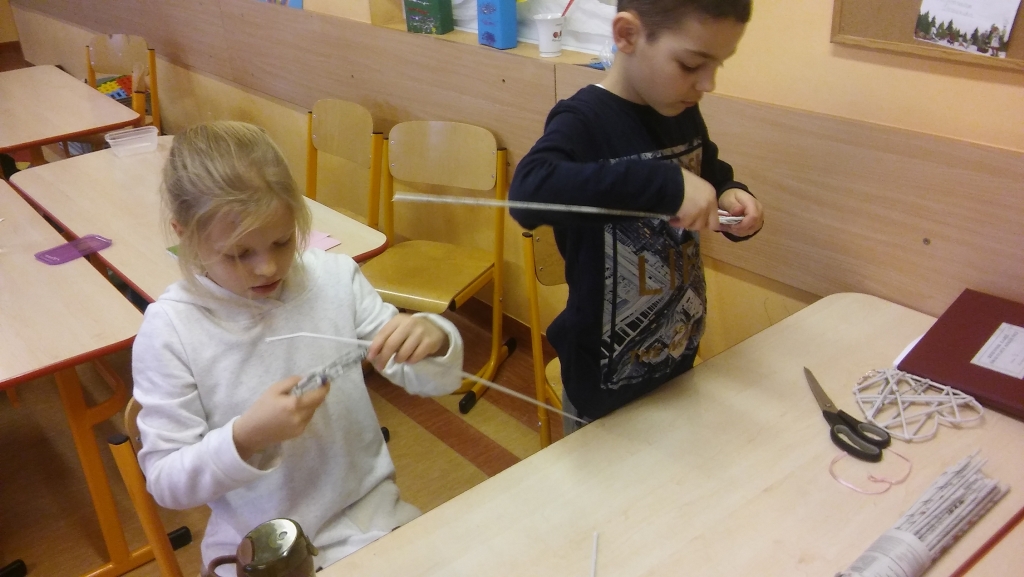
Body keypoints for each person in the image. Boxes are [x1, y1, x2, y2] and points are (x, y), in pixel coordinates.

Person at [131, 121, 464, 574]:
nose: (267, 267)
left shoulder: (334, 279)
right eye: (239, 254)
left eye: (282, 241)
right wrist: (245, 437)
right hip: (257, 544)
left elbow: (428, 378)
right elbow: (167, 482)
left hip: (369, 517)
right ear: (184, 234)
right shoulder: (171, 330)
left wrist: (432, 338)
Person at [509, 0, 762, 433]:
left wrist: (730, 193)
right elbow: (529, 192)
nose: (708, 83)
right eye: (691, 64)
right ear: (627, 35)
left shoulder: (681, 107)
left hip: (677, 354)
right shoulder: (583, 120)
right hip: (604, 384)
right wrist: (665, 185)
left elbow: (706, 170)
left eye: (717, 65)